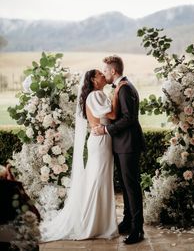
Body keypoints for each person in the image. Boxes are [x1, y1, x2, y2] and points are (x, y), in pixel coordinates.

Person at [40, 69, 124, 241]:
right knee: (98, 181)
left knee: (99, 180)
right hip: (100, 142)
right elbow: (113, 114)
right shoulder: (95, 95)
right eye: (100, 74)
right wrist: (116, 93)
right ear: (94, 79)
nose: (103, 75)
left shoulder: (97, 94)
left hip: (101, 140)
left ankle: (99, 223)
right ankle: (91, 224)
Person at [93, 55, 146, 245]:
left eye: (105, 70)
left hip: (128, 144)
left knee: (131, 186)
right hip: (121, 144)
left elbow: (128, 118)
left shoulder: (125, 89)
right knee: (125, 185)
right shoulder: (121, 87)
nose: (104, 73)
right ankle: (127, 221)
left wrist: (106, 129)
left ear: (113, 71)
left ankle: (138, 229)